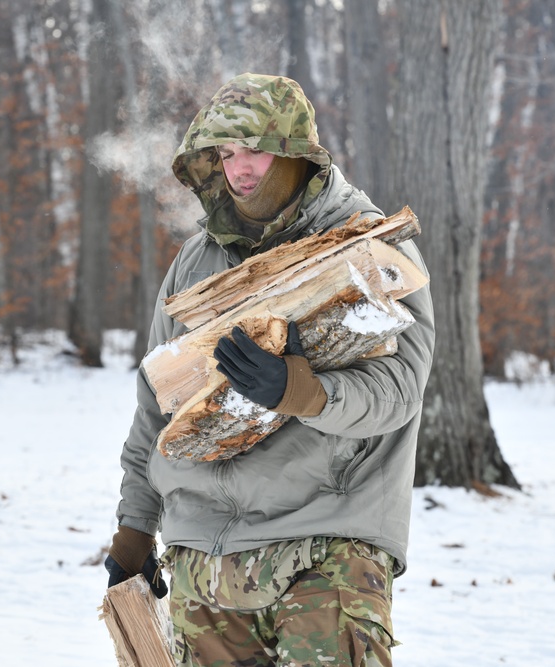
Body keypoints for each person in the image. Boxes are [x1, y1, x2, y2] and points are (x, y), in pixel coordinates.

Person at [105, 72, 435, 667]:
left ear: (295, 152)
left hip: (323, 548)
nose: (239, 169)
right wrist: (134, 530)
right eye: (225, 154)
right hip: (202, 562)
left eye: (254, 148)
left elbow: (399, 392)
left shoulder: (367, 244)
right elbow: (156, 405)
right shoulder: (195, 261)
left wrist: (299, 390)